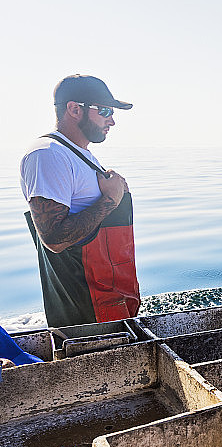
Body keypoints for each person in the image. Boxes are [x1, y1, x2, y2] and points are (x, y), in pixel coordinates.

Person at [19, 75, 140, 328]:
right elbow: (54, 239)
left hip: (111, 303)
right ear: (74, 109)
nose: (113, 120)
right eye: (105, 110)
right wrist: (110, 200)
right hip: (86, 312)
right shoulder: (47, 155)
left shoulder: (79, 155)